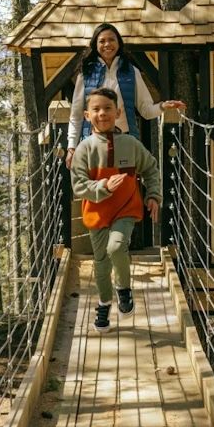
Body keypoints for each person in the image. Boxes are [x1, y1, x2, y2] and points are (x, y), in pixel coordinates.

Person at [70, 87, 162, 333]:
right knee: (101, 262)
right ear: (87, 115)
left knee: (116, 246)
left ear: (118, 112)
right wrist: (103, 186)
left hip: (125, 208)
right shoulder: (84, 149)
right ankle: (104, 303)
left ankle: (123, 289)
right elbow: (78, 185)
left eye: (108, 108)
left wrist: (153, 195)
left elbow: (150, 169)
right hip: (97, 213)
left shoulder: (130, 144)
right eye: (96, 109)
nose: (102, 113)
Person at [65, 23, 185, 169]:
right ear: (95, 45)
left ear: (119, 43)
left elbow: (146, 110)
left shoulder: (132, 72)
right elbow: (76, 115)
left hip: (124, 142)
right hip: (93, 143)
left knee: (124, 182)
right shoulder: (86, 74)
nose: (107, 44)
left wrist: (163, 106)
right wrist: (71, 148)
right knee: (96, 182)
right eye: (102, 41)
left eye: (111, 39)